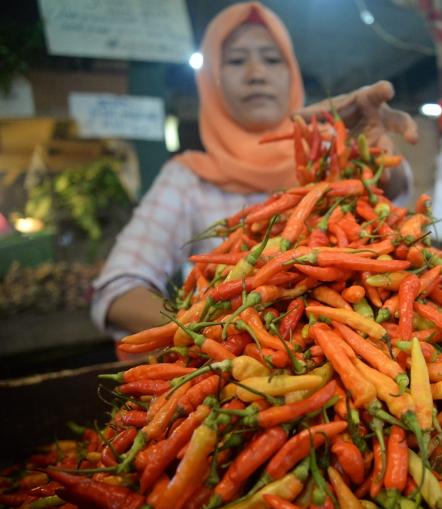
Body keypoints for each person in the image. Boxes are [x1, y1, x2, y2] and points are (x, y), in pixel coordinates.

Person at [91, 2, 418, 339]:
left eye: (272, 59)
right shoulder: (187, 178)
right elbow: (118, 290)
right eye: (235, 60)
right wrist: (209, 329)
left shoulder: (328, 155)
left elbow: (391, 207)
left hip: (357, 348)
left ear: (292, 74)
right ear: (211, 80)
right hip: (243, 366)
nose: (256, 73)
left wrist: (369, 151)